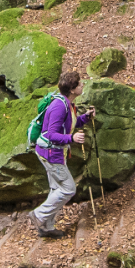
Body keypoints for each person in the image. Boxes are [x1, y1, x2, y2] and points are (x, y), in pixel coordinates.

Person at [30, 71, 95, 238]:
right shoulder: (60, 106)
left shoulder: (67, 103)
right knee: (68, 189)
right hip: (51, 153)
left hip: (55, 152)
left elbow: (70, 124)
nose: (83, 86)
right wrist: (71, 138)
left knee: (56, 189)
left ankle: (46, 227)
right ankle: (39, 215)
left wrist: (85, 118)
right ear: (72, 89)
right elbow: (51, 134)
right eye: (80, 84)